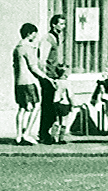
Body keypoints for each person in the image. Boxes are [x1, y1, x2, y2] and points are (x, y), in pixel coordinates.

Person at [37, 14, 67, 143]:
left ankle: (50, 133)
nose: (63, 27)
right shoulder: (48, 38)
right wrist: (45, 76)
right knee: (47, 105)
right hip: (48, 77)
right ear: (53, 25)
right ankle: (44, 133)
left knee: (53, 105)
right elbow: (42, 59)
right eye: (61, 24)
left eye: (64, 24)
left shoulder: (57, 38)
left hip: (55, 76)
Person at [13, 22, 42, 145]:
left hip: (19, 81)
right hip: (29, 81)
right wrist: (45, 77)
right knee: (36, 106)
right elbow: (33, 67)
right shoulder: (28, 48)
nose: (35, 37)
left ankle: (19, 135)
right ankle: (27, 133)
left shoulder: (17, 48)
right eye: (34, 34)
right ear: (29, 34)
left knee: (22, 108)